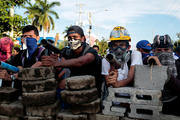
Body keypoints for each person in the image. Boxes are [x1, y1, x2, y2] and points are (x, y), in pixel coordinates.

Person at [41, 25, 102, 95]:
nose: (72, 40)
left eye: (75, 37)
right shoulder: (67, 52)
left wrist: (57, 63)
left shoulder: (90, 51)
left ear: (83, 38)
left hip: (91, 90)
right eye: (69, 38)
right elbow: (62, 65)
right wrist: (51, 61)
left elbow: (81, 61)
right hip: (74, 85)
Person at [0, 25, 49, 89]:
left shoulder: (44, 52)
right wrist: (5, 72)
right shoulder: (21, 54)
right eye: (25, 36)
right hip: (20, 90)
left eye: (31, 36)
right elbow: (9, 64)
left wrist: (20, 73)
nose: (28, 39)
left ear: (37, 38)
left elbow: (42, 67)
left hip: (37, 89)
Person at [147, 34, 180, 115]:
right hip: (151, 106)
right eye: (159, 50)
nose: (163, 52)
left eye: (166, 49)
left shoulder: (178, 64)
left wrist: (161, 69)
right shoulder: (148, 64)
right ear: (154, 51)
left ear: (171, 50)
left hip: (175, 105)